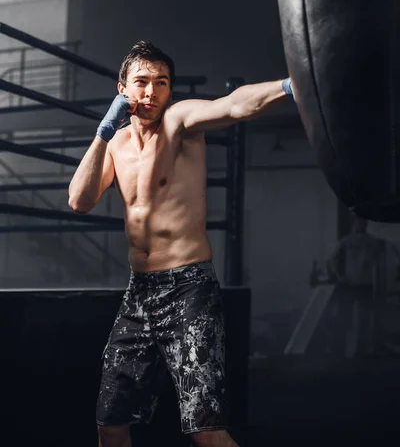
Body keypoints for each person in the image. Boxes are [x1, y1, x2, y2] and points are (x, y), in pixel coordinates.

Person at [68, 41, 295, 447]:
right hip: (139, 292)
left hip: (189, 288)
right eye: (141, 82)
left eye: (161, 83)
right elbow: (79, 200)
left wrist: (291, 85)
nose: (151, 93)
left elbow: (234, 105)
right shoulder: (116, 144)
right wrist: (103, 133)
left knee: (206, 431)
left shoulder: (179, 121)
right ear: (122, 89)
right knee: (110, 422)